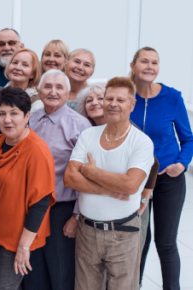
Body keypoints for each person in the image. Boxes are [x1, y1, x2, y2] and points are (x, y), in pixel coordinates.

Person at [64, 77, 154, 290]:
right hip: (87, 231)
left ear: (132, 105)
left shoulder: (141, 142)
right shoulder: (88, 135)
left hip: (123, 233)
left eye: (120, 100)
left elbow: (130, 185)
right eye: (109, 98)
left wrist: (91, 172)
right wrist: (110, 190)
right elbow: (70, 177)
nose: (113, 103)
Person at [129, 47, 193, 290]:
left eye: (154, 62)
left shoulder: (172, 97)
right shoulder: (124, 94)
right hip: (135, 179)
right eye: (144, 61)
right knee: (138, 240)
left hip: (168, 178)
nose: (149, 66)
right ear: (133, 65)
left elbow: (188, 139)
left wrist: (181, 164)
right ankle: (134, 285)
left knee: (165, 242)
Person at [23, 70, 91, 290]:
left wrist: (76, 216)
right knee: (32, 274)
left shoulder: (80, 125)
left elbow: (86, 175)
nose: (53, 92)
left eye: (59, 87)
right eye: (48, 86)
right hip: (30, 208)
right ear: (39, 91)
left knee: (61, 275)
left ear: (67, 92)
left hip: (61, 211)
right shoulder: (29, 119)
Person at [0, 86, 56, 290]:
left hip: (17, 238)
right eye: (2, 114)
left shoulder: (37, 151)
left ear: (27, 116)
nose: (7, 120)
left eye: (14, 113)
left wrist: (24, 247)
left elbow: (40, 204)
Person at [76, 81, 159, 253]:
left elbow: (153, 163)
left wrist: (144, 197)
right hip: (95, 216)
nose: (95, 103)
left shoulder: (123, 127)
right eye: (89, 100)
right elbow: (71, 176)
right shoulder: (86, 131)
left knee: (134, 250)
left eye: (100, 98)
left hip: (128, 206)